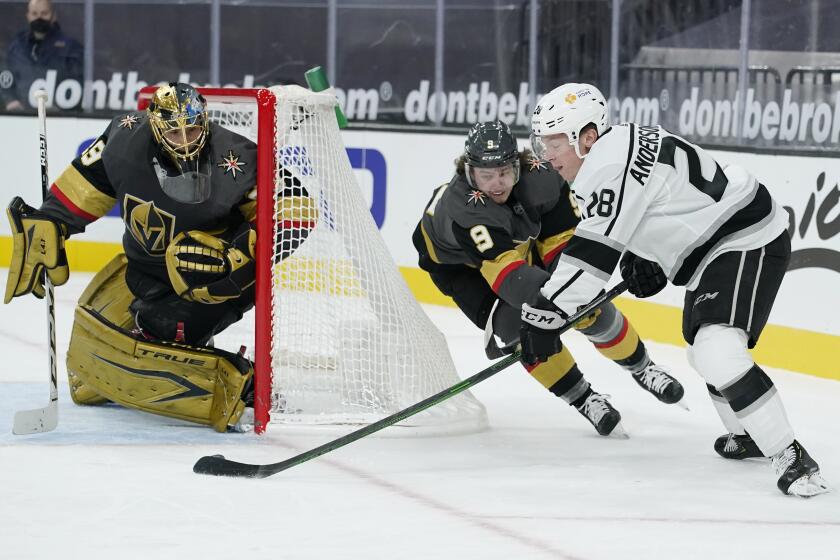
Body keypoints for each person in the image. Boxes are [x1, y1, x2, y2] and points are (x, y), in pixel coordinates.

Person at [522, 82, 830, 497]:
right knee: (702, 352)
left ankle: (794, 458)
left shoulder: (604, 166)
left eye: (555, 141)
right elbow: (658, 199)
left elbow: (590, 255)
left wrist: (546, 312)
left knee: (718, 350)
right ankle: (751, 434)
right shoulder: (619, 144)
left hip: (744, 237)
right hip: (718, 243)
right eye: (543, 142)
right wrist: (647, 254)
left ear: (587, 137)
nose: (547, 153)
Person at [4, 82, 312, 432]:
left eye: (193, 128)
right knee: (90, 380)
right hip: (145, 273)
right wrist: (52, 218)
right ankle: (157, 334)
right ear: (154, 125)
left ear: (205, 121)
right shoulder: (124, 138)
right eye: (175, 132)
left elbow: (300, 210)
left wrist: (240, 253)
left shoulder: (237, 156)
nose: (186, 140)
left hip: (214, 278)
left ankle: (237, 382)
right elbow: (83, 185)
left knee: (161, 324)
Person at [412, 120, 685, 437]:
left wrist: (573, 295)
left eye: (504, 172)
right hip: (460, 267)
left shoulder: (542, 177)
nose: (497, 184)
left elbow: (567, 247)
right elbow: (511, 282)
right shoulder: (465, 211)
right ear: (469, 172)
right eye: (486, 176)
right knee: (518, 327)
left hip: (513, 241)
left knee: (582, 299)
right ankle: (584, 399)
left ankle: (643, 367)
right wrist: (547, 312)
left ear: (519, 165)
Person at [2, 0, 83, 111]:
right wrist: (10, 100)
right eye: (34, 14)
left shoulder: (70, 47)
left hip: (59, 117)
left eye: (44, 13)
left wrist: (63, 107)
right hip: (21, 116)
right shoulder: (17, 46)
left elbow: (78, 81)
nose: (39, 18)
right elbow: (5, 76)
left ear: (53, 16)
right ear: (28, 16)